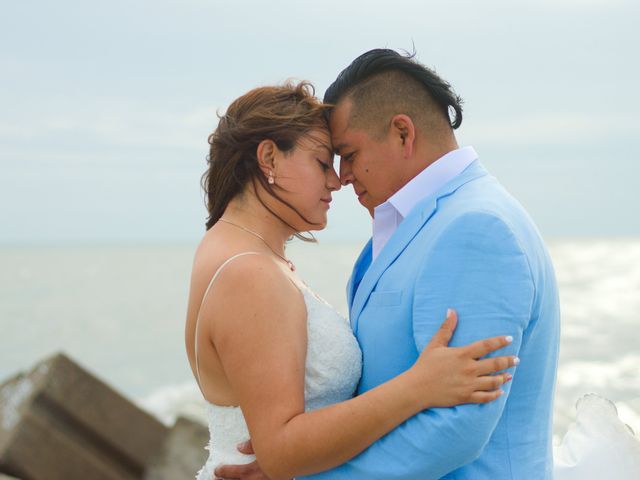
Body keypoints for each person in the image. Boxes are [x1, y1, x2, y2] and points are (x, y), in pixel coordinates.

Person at [215, 49, 561, 479]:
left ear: (402, 133)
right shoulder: (408, 227)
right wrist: (297, 451)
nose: (341, 176)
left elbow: (457, 427)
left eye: (348, 152)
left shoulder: (476, 228)